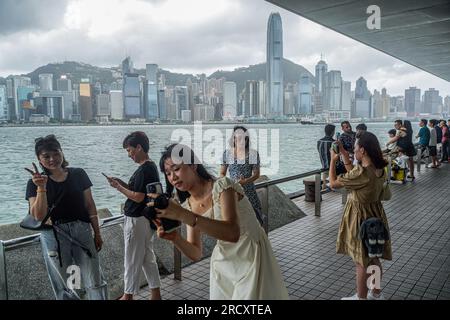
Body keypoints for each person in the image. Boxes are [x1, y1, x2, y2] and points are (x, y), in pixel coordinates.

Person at [149, 143, 289, 300]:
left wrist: (182, 215)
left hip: (252, 257)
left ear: (193, 165)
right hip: (223, 266)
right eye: (167, 173)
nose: (173, 177)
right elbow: (195, 253)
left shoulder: (223, 186)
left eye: (176, 169)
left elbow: (233, 232)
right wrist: (175, 238)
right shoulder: (187, 206)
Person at [25, 135, 107, 300]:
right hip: (56, 237)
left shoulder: (78, 174)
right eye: (46, 156)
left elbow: (90, 205)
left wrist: (97, 233)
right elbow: (38, 216)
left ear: (62, 152)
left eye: (55, 153)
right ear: (39, 160)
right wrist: (41, 187)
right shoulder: (34, 183)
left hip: (82, 232)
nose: (52, 159)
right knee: (70, 284)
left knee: (94, 279)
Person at [328, 132, 392, 300]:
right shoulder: (379, 168)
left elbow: (334, 184)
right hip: (376, 217)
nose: (353, 150)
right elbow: (355, 174)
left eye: (355, 148)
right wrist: (343, 154)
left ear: (362, 150)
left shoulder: (362, 174)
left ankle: (361, 298)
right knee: (374, 257)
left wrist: (333, 161)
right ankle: (376, 294)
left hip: (361, 220)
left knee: (361, 261)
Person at [107, 131, 161, 300]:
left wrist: (118, 188)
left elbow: (138, 196)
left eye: (129, 150)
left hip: (137, 220)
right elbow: (138, 191)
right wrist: (121, 183)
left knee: (131, 259)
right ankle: (155, 294)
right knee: (147, 258)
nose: (129, 155)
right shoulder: (149, 167)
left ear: (139, 147)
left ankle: (127, 296)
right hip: (144, 219)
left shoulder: (145, 169)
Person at [220, 126, 264, 225]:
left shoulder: (252, 153)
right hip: (233, 192)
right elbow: (222, 173)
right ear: (233, 138)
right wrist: (228, 183)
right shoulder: (227, 154)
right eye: (237, 137)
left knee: (255, 221)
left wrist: (245, 181)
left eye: (243, 137)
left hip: (249, 192)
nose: (240, 140)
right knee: (236, 222)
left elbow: (256, 174)